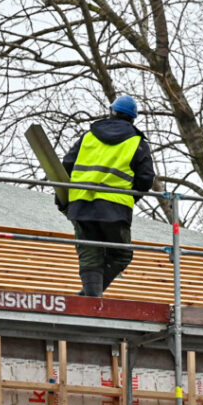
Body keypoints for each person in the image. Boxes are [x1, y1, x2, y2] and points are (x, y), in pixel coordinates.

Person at [59, 94, 154, 297]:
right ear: (132, 118)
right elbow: (146, 179)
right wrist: (128, 197)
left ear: (112, 112)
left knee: (89, 254)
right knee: (121, 254)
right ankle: (90, 298)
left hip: (81, 204)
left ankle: (89, 298)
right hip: (114, 208)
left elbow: (66, 165)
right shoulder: (137, 142)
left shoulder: (88, 136)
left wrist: (64, 197)